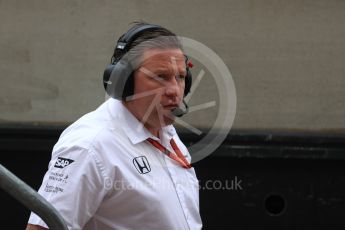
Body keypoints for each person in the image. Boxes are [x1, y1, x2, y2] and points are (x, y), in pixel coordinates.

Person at [26, 22, 202, 230]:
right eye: (160, 76)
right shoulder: (90, 146)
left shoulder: (166, 133)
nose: (174, 90)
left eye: (180, 77)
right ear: (122, 81)